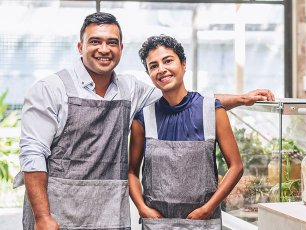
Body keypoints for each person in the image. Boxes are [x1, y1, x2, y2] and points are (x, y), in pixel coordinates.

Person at [13, 12, 274, 230]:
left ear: (120, 49)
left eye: (112, 42)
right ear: (80, 47)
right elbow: (33, 154)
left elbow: (186, 100)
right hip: (58, 212)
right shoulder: (51, 88)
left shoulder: (130, 90)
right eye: (95, 41)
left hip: (109, 213)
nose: (104, 49)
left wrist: (242, 98)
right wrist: (42, 216)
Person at [128, 35, 244, 229]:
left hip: (203, 222)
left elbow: (236, 167)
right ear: (149, 74)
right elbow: (132, 171)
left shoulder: (212, 110)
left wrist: (208, 208)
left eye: (168, 61)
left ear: (183, 64)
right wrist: (141, 207)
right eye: (153, 66)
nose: (161, 69)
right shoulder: (143, 118)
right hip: (157, 224)